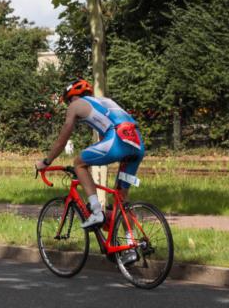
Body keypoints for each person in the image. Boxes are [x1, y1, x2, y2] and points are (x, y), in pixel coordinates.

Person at [34, 79, 145, 228]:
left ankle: (96, 211)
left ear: (72, 96)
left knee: (79, 163)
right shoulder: (105, 101)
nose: (69, 106)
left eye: (68, 102)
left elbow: (62, 140)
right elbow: (105, 134)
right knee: (122, 199)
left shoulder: (75, 105)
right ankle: (130, 247)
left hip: (117, 140)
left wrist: (46, 161)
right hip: (137, 144)